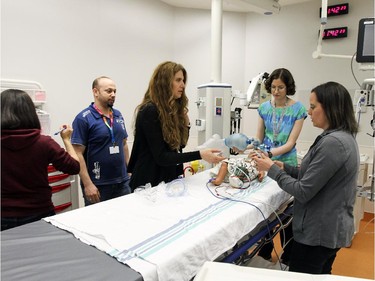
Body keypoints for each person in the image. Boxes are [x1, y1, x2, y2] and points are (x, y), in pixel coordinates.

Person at [253, 81, 359, 274]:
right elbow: (314, 175)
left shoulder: (333, 143)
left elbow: (304, 191)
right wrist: (285, 167)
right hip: (329, 231)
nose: (309, 112)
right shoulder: (342, 137)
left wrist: (271, 169)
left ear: (330, 108)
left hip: (318, 235)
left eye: (312, 107)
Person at [128, 61, 225, 190]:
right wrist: (200, 154)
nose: (183, 85)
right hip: (149, 183)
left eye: (183, 81)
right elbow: (162, 157)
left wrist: (186, 123)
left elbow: (180, 146)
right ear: (164, 83)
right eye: (178, 80)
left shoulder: (170, 111)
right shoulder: (149, 110)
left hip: (168, 180)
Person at [1, 89, 80, 231]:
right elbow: (74, 167)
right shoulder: (44, 143)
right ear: (30, 113)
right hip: (38, 212)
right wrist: (66, 139)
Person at [255, 68, 307, 263]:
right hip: (265, 162)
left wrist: (268, 155)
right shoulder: (264, 108)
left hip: (287, 164)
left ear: (288, 88)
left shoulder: (298, 110)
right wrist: (252, 147)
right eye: (273, 87)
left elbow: (290, 143)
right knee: (266, 211)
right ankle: (264, 253)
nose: (276, 92)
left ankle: (287, 256)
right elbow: (258, 137)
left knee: (286, 214)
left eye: (281, 88)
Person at [71, 76, 131, 206]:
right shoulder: (83, 118)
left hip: (122, 182)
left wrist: (130, 170)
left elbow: (124, 144)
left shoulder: (118, 115)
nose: (113, 94)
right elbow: (77, 153)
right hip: (98, 185)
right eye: (108, 91)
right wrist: (88, 184)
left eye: (115, 91)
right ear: (95, 92)